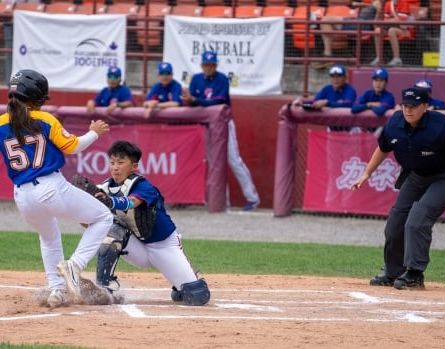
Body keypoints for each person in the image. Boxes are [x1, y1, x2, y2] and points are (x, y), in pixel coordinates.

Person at [0, 69, 113, 308]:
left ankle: (57, 290)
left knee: (49, 237)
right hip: (50, 187)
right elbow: (71, 146)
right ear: (35, 97)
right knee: (103, 217)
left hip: (22, 195)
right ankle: (75, 265)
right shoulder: (45, 119)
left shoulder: (0, 123)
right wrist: (94, 133)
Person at [352, 87, 445, 290]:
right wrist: (367, 173)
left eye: (413, 106)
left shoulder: (441, 128)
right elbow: (383, 148)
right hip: (416, 176)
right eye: (405, 105)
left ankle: (414, 273)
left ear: (425, 107)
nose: (408, 110)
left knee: (418, 218)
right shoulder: (395, 123)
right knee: (395, 223)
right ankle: (393, 271)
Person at [94, 141, 210, 306]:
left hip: (163, 246)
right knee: (110, 228)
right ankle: (105, 288)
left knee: (197, 295)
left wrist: (110, 201)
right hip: (136, 246)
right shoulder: (105, 187)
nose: (115, 167)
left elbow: (132, 202)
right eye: (112, 163)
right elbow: (91, 222)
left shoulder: (143, 186)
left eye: (121, 162)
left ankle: (187, 277)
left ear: (134, 166)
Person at [182, 50, 260, 211]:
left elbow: (218, 102)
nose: (209, 67)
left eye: (211, 64)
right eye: (206, 64)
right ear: (202, 65)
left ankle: (252, 198)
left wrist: (197, 101)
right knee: (214, 164)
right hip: (206, 125)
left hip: (224, 124)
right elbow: (193, 103)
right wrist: (193, 101)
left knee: (234, 161)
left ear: (215, 65)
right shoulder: (196, 79)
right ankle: (222, 201)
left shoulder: (222, 79)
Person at [370, 0, 418, 66]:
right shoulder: (388, 4)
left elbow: (400, 20)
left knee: (392, 31)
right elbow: (378, 24)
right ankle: (379, 58)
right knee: (377, 30)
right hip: (390, 27)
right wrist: (379, 10)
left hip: (405, 30)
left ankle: (397, 59)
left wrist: (387, 21)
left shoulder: (404, 2)